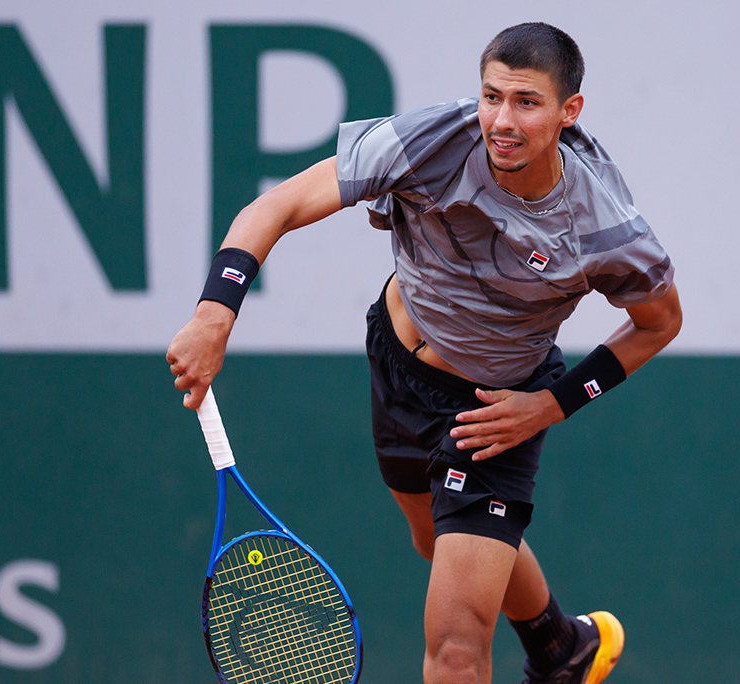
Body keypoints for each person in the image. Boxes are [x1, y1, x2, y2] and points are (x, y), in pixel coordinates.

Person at [167, 21, 681, 684]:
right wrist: (215, 314)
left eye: (525, 101)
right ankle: (561, 646)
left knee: (458, 644)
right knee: (433, 542)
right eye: (491, 96)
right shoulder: (431, 140)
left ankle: (554, 646)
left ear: (567, 111)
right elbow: (282, 204)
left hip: (493, 414)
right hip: (395, 367)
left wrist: (550, 406)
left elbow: (657, 324)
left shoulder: (602, 226)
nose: (500, 119)